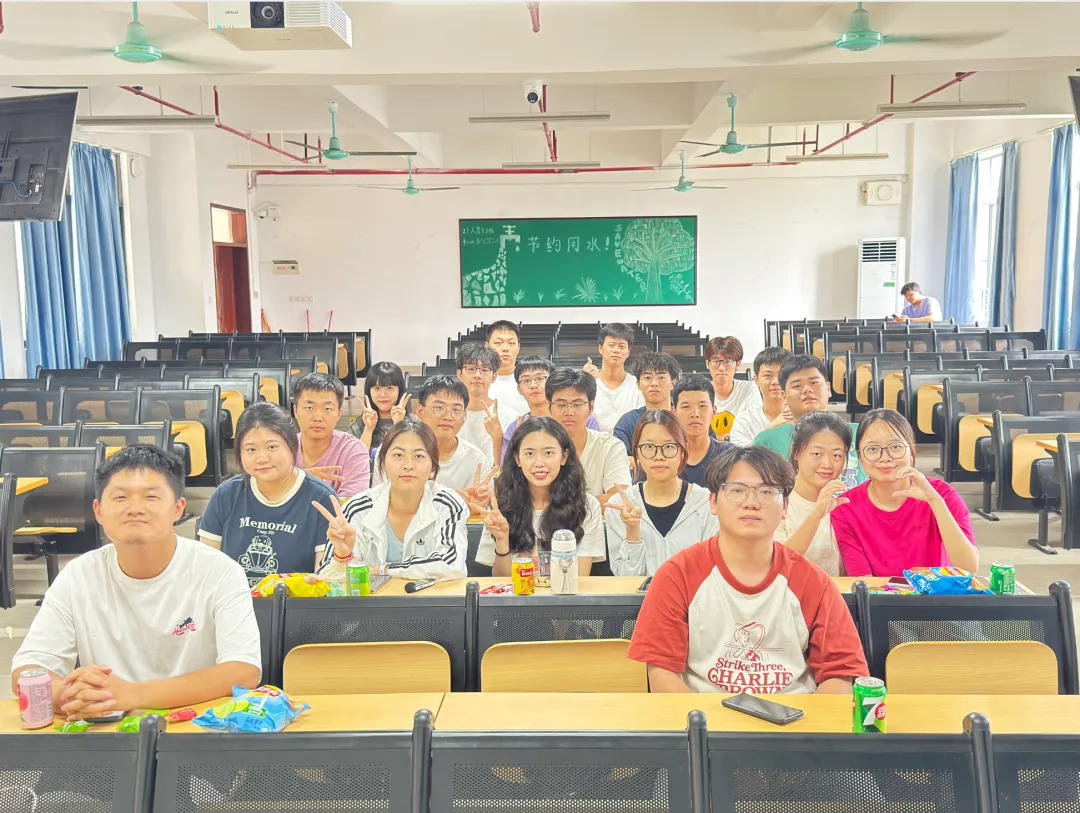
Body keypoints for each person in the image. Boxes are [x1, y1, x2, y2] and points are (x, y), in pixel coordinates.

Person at [11, 445, 261, 721]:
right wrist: (71, 697)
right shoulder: (77, 576)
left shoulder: (219, 572)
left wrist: (134, 695)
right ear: (98, 511)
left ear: (178, 508)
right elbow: (28, 669)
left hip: (196, 727)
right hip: (108, 729)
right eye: (120, 497)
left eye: (151, 497)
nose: (135, 508)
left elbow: (243, 670)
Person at [627, 445, 869, 694]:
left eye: (766, 492)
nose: (751, 502)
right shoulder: (677, 574)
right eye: (737, 490)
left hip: (794, 715)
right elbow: (662, 671)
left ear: (785, 507)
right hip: (704, 715)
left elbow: (840, 674)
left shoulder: (812, 581)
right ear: (713, 501)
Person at [199, 402, 339, 586]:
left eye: (272, 447)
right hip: (233, 601)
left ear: (292, 446)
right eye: (251, 449)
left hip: (295, 602)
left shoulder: (321, 498)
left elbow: (323, 580)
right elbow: (206, 570)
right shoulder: (225, 495)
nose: (262, 458)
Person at [831, 409, 977, 576]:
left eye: (895, 447)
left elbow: (968, 568)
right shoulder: (846, 507)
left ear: (912, 451)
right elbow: (863, 580)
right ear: (860, 457)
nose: (885, 457)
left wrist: (935, 502)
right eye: (872, 449)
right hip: (878, 592)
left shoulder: (942, 494)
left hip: (935, 591)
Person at [324, 419, 469, 580]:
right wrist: (341, 558)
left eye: (419, 456)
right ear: (382, 463)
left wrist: (382, 570)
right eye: (398, 455)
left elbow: (451, 565)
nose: (408, 465)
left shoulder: (448, 505)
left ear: (433, 467)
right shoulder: (357, 508)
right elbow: (325, 576)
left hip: (432, 597)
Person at [474, 417, 605, 576]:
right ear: (517, 459)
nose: (539, 463)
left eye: (548, 453)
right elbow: (501, 580)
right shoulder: (500, 507)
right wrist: (502, 540)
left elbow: (580, 577)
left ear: (564, 457)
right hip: (517, 592)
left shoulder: (586, 506)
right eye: (529, 453)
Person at [607, 410, 718, 576]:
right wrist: (632, 531)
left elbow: (710, 573)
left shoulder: (707, 505)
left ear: (683, 451)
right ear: (636, 452)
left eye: (669, 447)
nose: (659, 456)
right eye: (649, 447)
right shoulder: (621, 506)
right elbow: (625, 578)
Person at [753, 355, 866, 487]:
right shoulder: (767, 440)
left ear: (828, 389)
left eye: (814, 382)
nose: (807, 389)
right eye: (797, 385)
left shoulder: (861, 432)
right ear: (784, 396)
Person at [390, 375, 494, 507]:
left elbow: (486, 513)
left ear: (464, 417)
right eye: (439, 408)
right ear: (420, 411)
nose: (448, 416)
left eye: (456, 410)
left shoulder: (476, 460)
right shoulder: (394, 453)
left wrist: (477, 506)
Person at [773, 412, 852, 576]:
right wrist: (816, 515)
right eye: (817, 454)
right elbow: (779, 563)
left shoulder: (846, 503)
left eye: (837, 455)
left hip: (838, 591)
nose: (827, 464)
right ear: (795, 451)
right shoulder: (775, 501)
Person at [547, 367, 631, 507]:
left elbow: (618, 498)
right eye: (561, 404)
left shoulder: (610, 446)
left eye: (577, 404)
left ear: (591, 407)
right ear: (550, 407)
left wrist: (564, 509)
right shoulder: (536, 447)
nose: (569, 411)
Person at [501, 356, 600, 464]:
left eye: (540, 378)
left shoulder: (582, 418)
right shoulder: (516, 427)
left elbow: (596, 453)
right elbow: (507, 467)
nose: (533, 385)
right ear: (519, 389)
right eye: (526, 380)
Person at [293, 372, 370, 498]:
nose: (318, 417)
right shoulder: (283, 448)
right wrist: (299, 479)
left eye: (327, 409)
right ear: (295, 411)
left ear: (339, 413)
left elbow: (351, 504)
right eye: (309, 407)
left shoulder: (353, 450)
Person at [455, 343, 520, 460]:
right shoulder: (450, 415)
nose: (477, 375)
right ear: (459, 374)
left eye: (484, 370)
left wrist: (498, 435)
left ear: (494, 376)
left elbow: (512, 462)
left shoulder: (509, 416)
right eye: (470, 369)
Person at [613, 352, 682, 455]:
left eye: (661, 377)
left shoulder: (684, 417)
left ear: (673, 383)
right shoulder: (628, 422)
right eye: (647, 378)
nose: (654, 383)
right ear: (638, 384)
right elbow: (618, 457)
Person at [584, 322, 644, 434]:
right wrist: (583, 381)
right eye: (611, 345)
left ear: (628, 352)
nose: (616, 350)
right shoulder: (590, 383)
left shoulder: (638, 385)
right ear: (600, 348)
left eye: (621, 346)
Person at [673, 374, 729, 488]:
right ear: (674, 413)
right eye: (686, 407)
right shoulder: (662, 455)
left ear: (714, 412)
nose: (695, 414)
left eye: (702, 406)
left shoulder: (729, 455)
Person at [729, 347, 792, 447]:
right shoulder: (744, 422)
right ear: (756, 380)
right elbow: (742, 456)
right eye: (768, 375)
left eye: (782, 375)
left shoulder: (806, 417)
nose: (775, 382)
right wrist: (770, 430)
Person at [704, 336, 762, 440]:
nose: (721, 368)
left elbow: (755, 427)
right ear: (707, 364)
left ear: (738, 364)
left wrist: (717, 438)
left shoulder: (749, 389)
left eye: (728, 361)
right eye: (716, 361)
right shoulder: (701, 392)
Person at [348, 361, 409, 458]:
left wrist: (399, 425)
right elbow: (355, 460)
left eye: (389, 388)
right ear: (369, 391)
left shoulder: (414, 423)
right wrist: (368, 430)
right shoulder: (358, 426)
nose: (383, 394)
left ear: (399, 390)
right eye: (377, 388)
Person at [485, 320, 529, 415]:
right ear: (487, 347)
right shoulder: (478, 381)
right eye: (498, 343)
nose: (505, 348)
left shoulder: (530, 382)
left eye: (511, 343)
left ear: (518, 348)